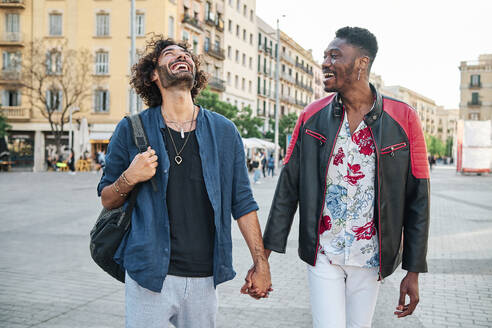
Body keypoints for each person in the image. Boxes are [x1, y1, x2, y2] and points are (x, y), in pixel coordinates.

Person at [243, 27, 430, 327]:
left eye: (335, 56)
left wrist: (414, 270)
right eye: (324, 56)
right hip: (323, 255)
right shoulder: (310, 115)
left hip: (371, 259)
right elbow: (287, 191)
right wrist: (261, 261)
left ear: (361, 64)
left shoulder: (404, 117)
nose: (325, 63)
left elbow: (418, 198)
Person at [97, 36, 271, 328]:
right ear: (153, 74)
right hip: (148, 274)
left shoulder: (224, 131)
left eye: (186, 53)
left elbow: (242, 203)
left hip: (204, 277)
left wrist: (261, 263)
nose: (182, 56)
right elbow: (107, 198)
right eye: (170, 54)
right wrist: (129, 177)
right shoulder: (131, 129)